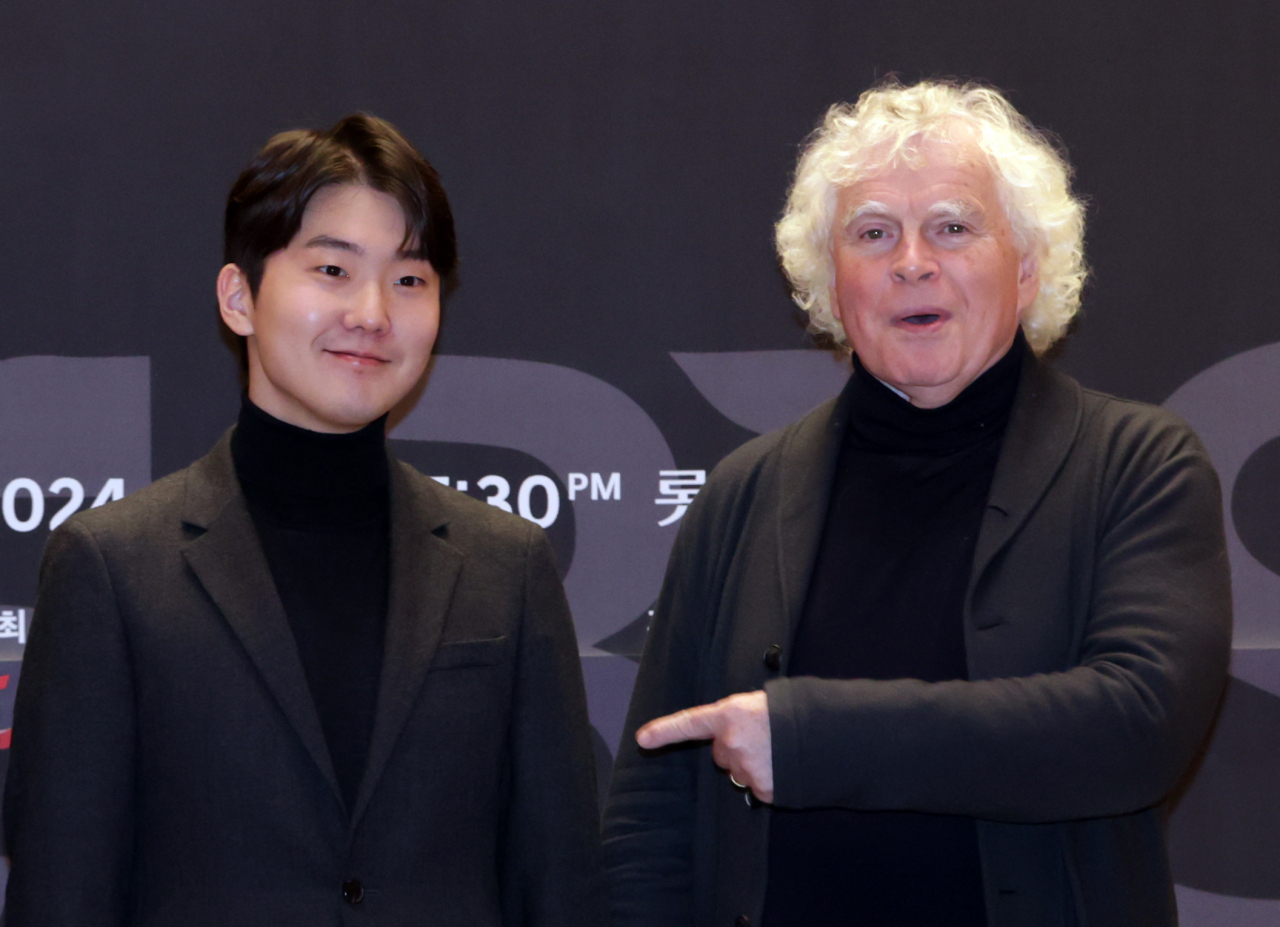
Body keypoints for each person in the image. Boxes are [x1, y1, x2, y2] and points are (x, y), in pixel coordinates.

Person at [602, 80, 1231, 927]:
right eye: (872, 234)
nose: (911, 261)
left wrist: (816, 738)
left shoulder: (1137, 464)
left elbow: (1135, 725)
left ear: (1029, 265)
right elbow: (653, 804)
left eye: (952, 225)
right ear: (830, 283)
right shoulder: (743, 492)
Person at [4, 113, 606, 927]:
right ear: (239, 296)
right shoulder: (112, 568)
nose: (371, 312)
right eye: (331, 268)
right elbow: (62, 893)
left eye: (409, 279)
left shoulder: (507, 565)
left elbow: (558, 884)